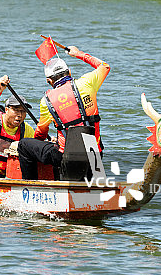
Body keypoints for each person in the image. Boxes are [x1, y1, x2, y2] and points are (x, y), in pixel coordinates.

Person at [16, 46, 110, 180]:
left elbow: (41, 133)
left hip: (66, 158)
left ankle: (30, 187)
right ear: (69, 72)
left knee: (24, 145)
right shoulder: (87, 83)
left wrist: (49, 143)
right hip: (95, 154)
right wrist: (78, 54)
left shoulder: (46, 100)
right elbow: (104, 66)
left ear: (49, 81)